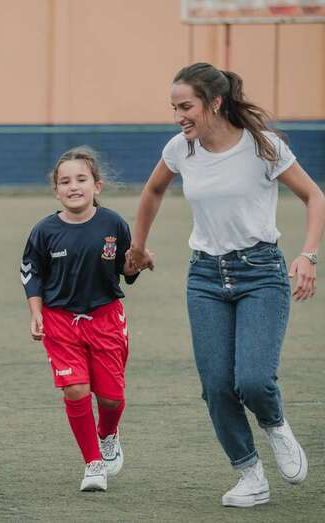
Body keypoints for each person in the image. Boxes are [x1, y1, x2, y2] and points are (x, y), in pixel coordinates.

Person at [129, 62, 325, 508]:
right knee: (216, 386)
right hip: (205, 277)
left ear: (214, 103)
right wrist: (138, 247)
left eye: (186, 106)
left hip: (261, 273)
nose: (178, 115)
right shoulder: (181, 148)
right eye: (174, 107)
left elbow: (315, 195)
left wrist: (308, 254)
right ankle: (250, 475)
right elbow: (153, 191)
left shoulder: (263, 146)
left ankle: (274, 424)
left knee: (253, 380)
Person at [21, 147, 144, 492]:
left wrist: (137, 264)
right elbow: (32, 274)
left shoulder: (113, 224)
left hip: (105, 318)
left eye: (81, 179)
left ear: (97, 186)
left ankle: (107, 434)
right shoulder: (44, 231)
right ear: (56, 190)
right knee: (76, 389)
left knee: (110, 398)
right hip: (60, 320)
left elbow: (126, 269)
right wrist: (35, 312)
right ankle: (93, 463)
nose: (73, 186)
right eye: (65, 181)